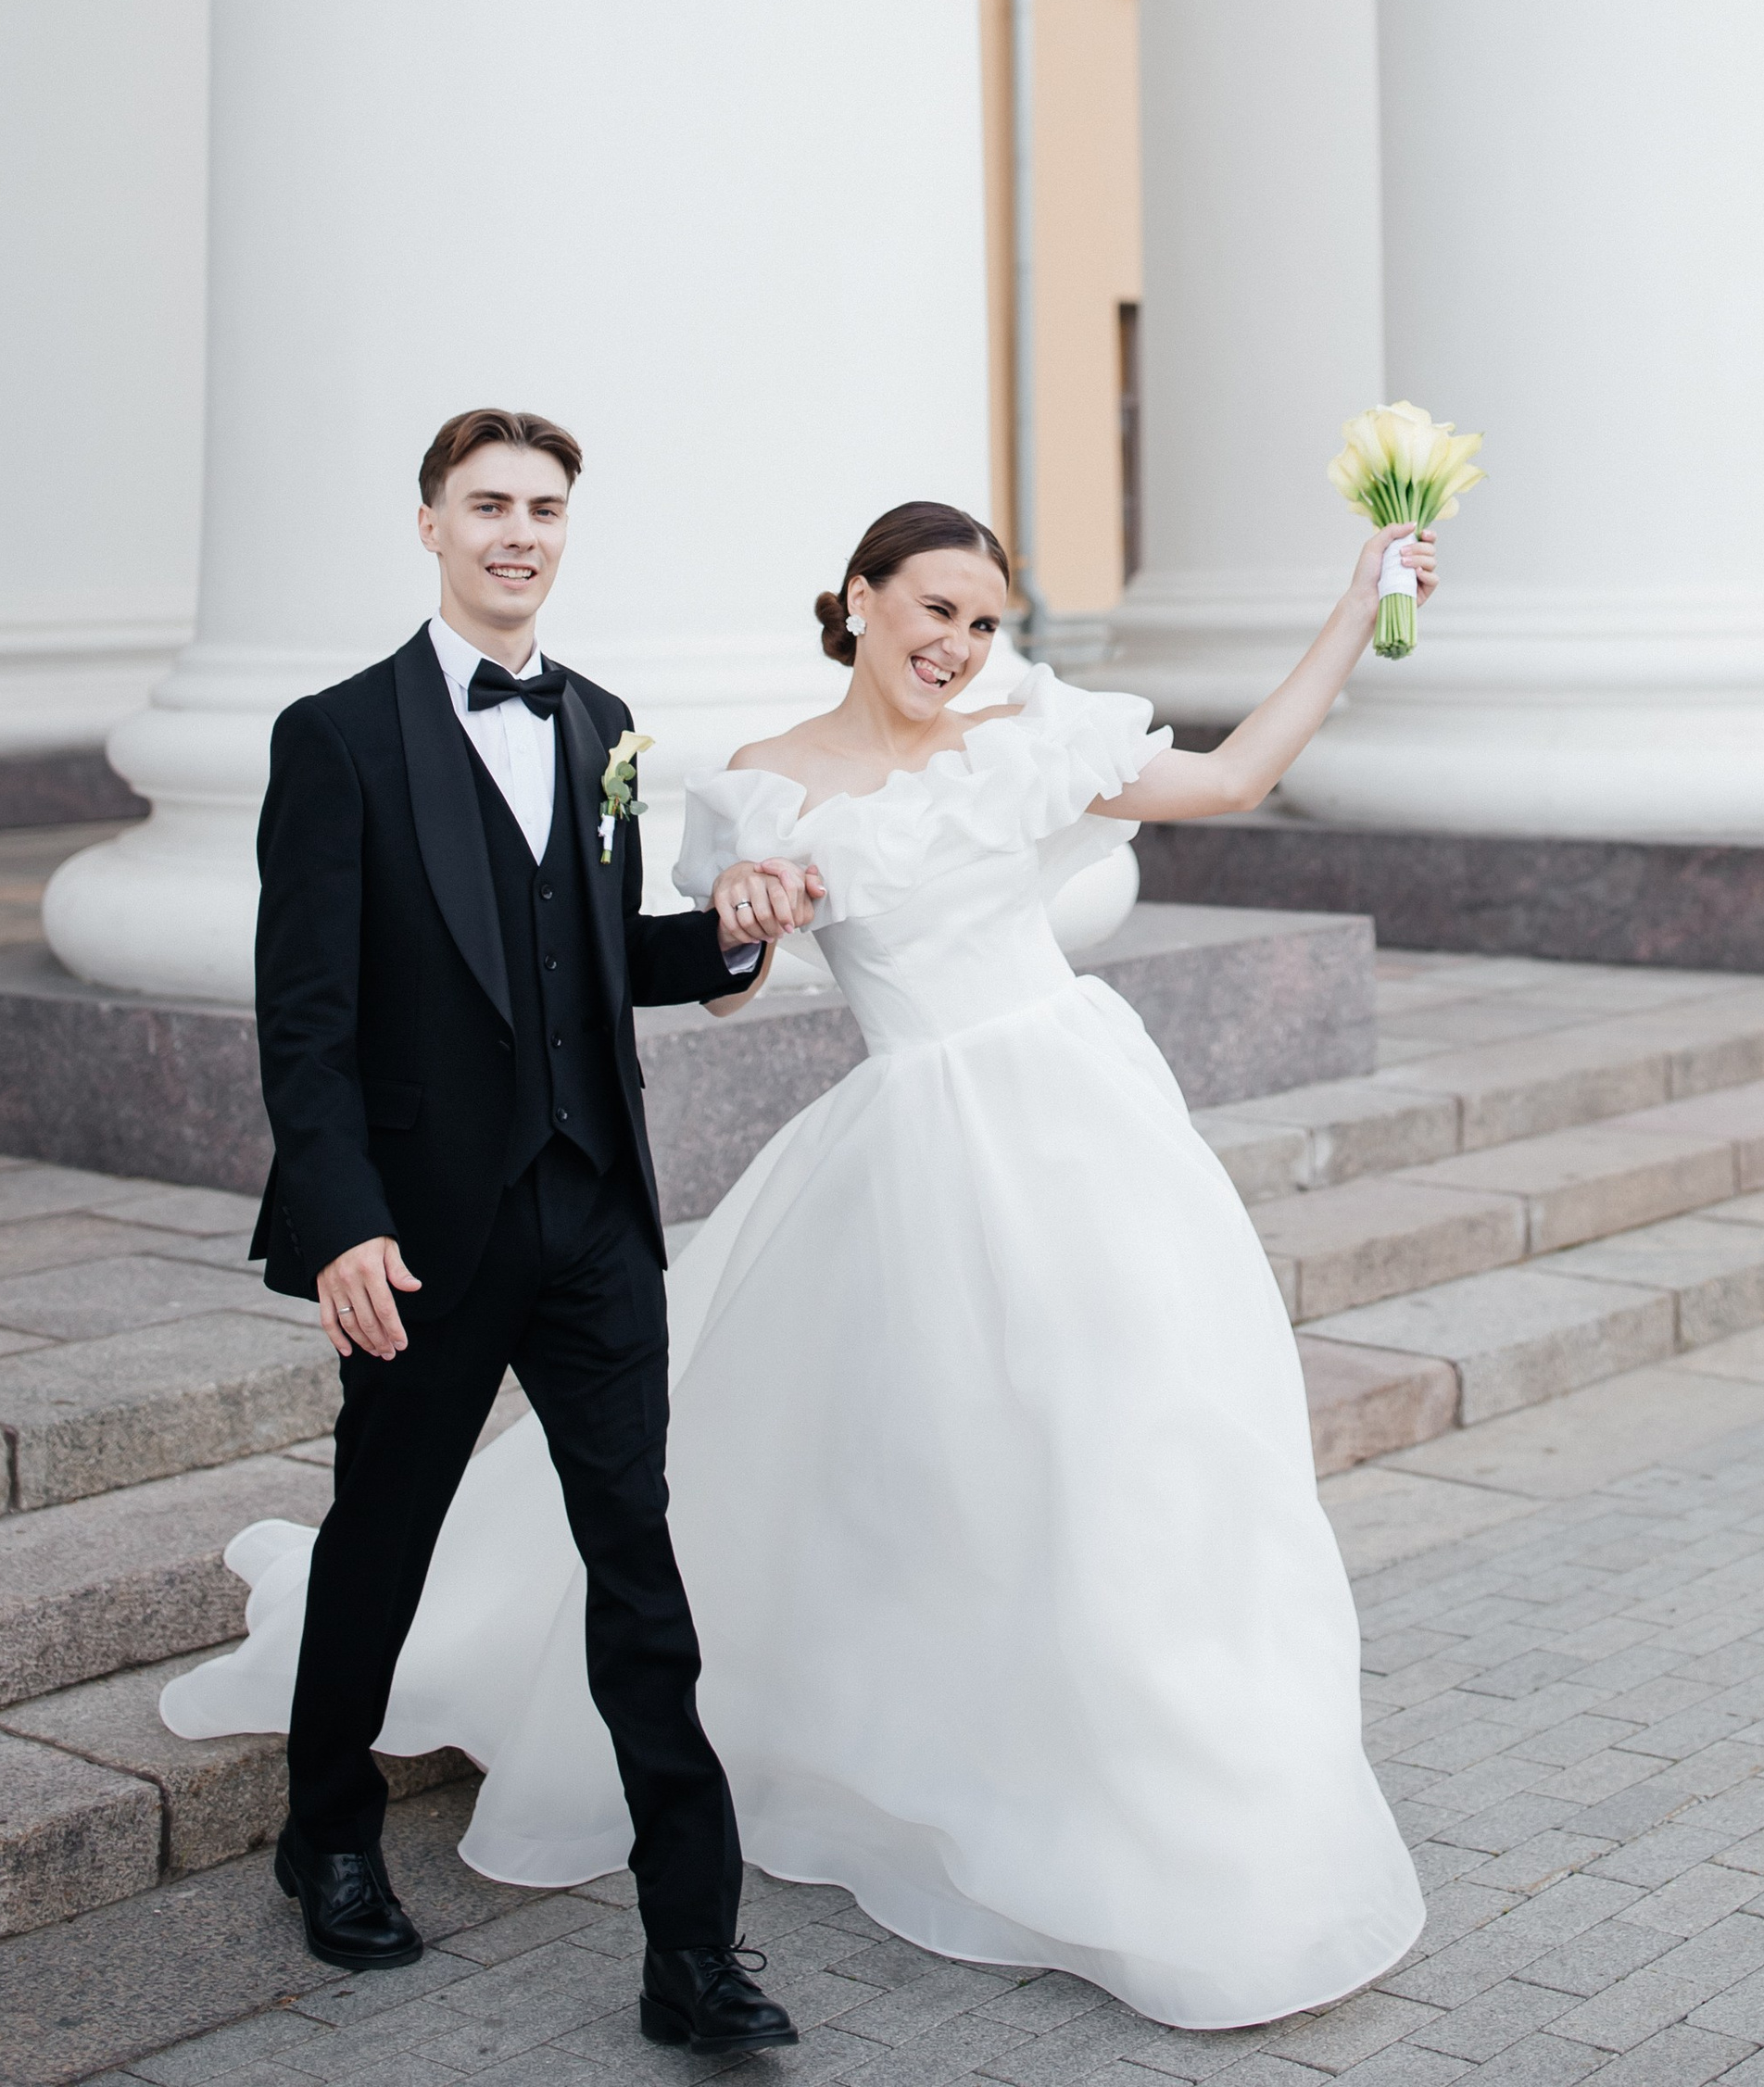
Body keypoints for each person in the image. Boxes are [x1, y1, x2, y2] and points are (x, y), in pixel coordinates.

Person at [174, 492, 1434, 2032]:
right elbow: (702, 983)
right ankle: (365, 1819)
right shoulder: (757, 785)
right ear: (860, 600)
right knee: (922, 1477)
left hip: (1091, 1141)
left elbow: (1237, 774)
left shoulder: (1027, 734)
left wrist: (1358, 607)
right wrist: (746, 925)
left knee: (1150, 1462)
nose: (959, 647)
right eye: (934, 613)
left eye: (983, 622)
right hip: (913, 1159)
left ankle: (1163, 1811)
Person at [167, 408, 810, 2053]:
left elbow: (592, 963)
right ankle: (324, 1831)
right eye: (489, 506)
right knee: (378, 1543)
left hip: (595, 1216)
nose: (519, 532)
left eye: (544, 509)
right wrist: (337, 1225)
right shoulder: (336, 737)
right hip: (421, 1230)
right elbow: (301, 1017)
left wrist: (726, 943)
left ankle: (692, 1946)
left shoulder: (598, 720)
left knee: (638, 1570)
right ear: (434, 526)